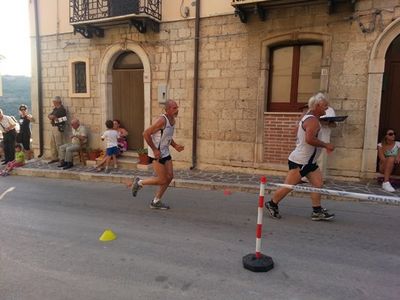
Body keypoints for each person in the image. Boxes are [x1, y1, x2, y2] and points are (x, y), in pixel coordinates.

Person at [265, 92, 335, 221]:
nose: (327, 108)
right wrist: (326, 145)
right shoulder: (312, 120)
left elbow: (297, 133)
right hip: (301, 161)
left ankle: (317, 211)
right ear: (318, 105)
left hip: (309, 161)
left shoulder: (308, 117)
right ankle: (272, 203)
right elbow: (309, 139)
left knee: (318, 184)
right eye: (325, 106)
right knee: (289, 186)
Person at [129, 100, 184, 210]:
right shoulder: (161, 120)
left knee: (170, 177)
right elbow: (145, 133)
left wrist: (175, 145)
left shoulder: (172, 120)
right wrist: (155, 150)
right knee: (162, 179)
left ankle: (156, 201)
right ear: (167, 110)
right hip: (156, 153)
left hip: (165, 151)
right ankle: (139, 182)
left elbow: (167, 136)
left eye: (177, 108)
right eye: (174, 108)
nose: (176, 110)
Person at [47, 96, 67, 164]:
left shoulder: (62, 109)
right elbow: (49, 116)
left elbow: (64, 119)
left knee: (59, 143)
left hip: (58, 127)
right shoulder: (55, 109)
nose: (53, 103)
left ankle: (62, 158)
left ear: (57, 102)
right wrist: (53, 117)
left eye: (54, 102)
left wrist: (56, 118)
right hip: (54, 127)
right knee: (52, 143)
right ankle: (54, 157)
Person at [318, 106, 337, 178]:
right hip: (315, 136)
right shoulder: (313, 109)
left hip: (325, 138)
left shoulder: (330, 110)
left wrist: (327, 123)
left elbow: (334, 125)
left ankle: (321, 177)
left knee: (322, 159)